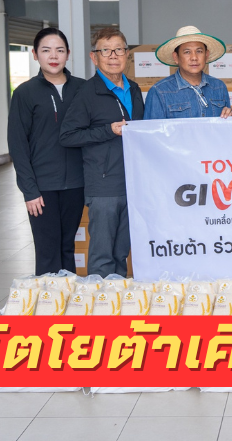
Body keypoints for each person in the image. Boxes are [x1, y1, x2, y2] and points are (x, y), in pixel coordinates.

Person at [60, 28, 145, 277]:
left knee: (121, 252)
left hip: (133, 183)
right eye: (105, 50)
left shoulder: (134, 89)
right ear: (94, 57)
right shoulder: (87, 93)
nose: (113, 56)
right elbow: (68, 136)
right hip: (104, 185)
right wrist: (108, 130)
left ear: (127, 54)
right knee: (102, 255)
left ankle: (116, 298)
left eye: (118, 49)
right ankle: (100, 300)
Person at [7, 28, 86, 275]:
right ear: (35, 54)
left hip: (76, 184)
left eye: (59, 50)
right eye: (46, 50)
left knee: (67, 247)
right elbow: (18, 144)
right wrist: (29, 190)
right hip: (42, 188)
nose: (53, 56)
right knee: (47, 250)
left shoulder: (83, 89)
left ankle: (69, 296)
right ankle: (48, 298)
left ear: (68, 54)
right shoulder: (25, 93)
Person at [145, 25, 232, 119]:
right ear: (176, 57)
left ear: (206, 55)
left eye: (199, 51)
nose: (194, 58)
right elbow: (152, 128)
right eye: (187, 52)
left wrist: (230, 116)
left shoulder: (219, 87)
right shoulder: (159, 91)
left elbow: (229, 125)